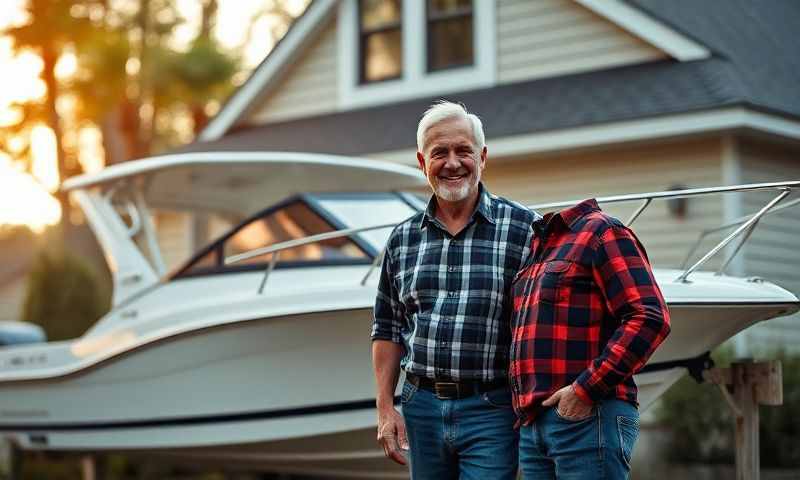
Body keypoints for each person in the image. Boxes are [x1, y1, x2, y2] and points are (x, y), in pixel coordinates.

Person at [371, 101, 537, 479]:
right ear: (420, 161)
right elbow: (387, 328)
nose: (452, 162)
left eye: (463, 150)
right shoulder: (402, 239)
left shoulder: (525, 230)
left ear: (482, 157)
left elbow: (542, 325)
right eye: (439, 153)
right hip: (420, 406)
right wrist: (385, 408)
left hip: (492, 407)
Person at [511, 199, 671, 479]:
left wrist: (584, 391)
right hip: (534, 424)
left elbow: (649, 317)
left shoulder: (602, 232)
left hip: (588, 416)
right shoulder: (538, 248)